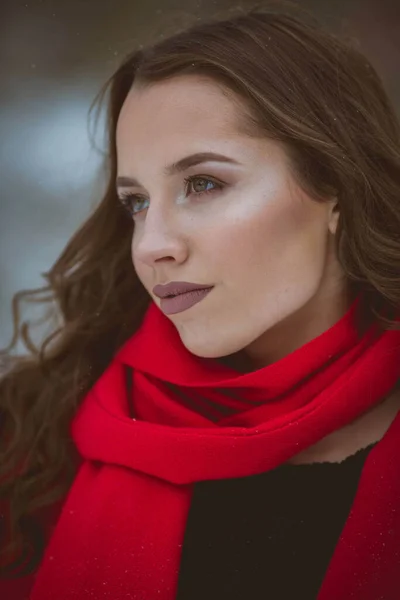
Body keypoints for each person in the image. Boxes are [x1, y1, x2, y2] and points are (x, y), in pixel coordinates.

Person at [1, 4, 400, 600]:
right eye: (136, 202)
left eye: (204, 183)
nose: (152, 245)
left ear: (334, 188)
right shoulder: (32, 434)